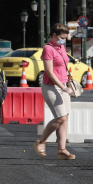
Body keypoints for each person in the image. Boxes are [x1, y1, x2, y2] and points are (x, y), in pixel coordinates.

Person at [33, 24, 76, 160]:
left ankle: (61, 150)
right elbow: (49, 72)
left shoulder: (61, 47)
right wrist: (63, 87)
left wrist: (67, 80)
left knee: (65, 118)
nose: (64, 40)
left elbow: (63, 64)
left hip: (64, 85)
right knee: (60, 117)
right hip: (51, 86)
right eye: (62, 38)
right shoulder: (47, 49)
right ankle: (40, 142)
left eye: (65, 38)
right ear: (54, 35)